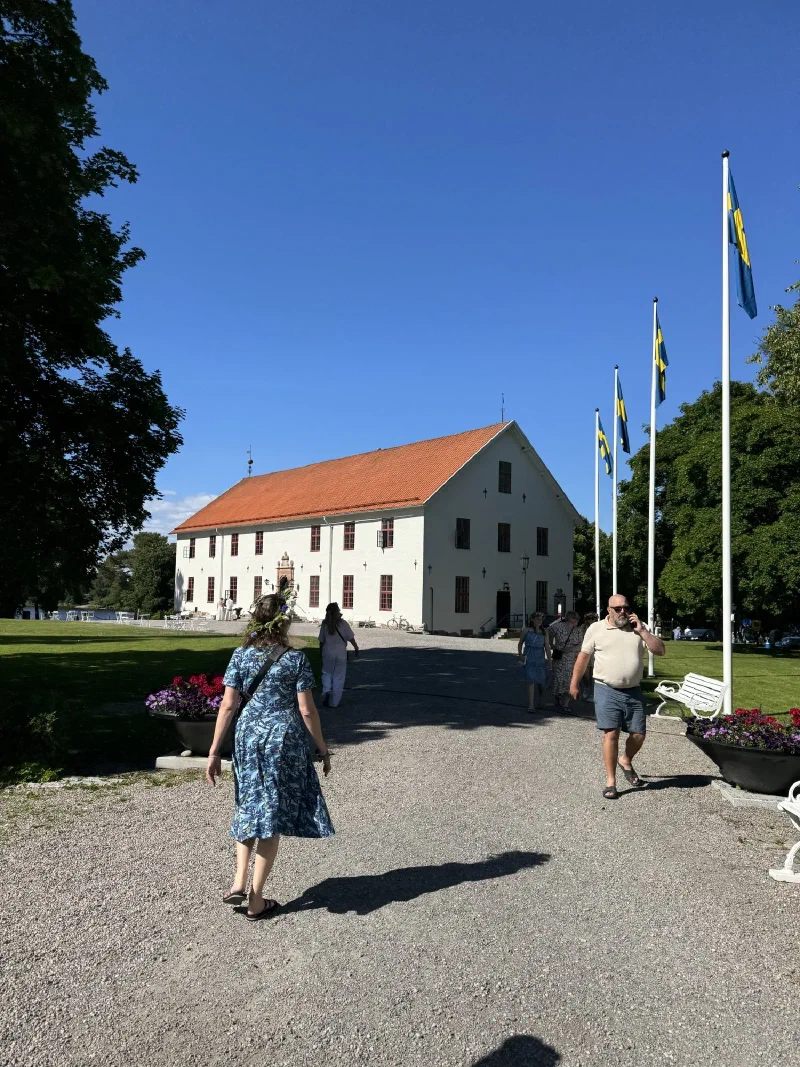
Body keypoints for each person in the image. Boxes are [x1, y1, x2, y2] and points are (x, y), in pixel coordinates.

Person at [206, 592, 333, 920]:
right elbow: (307, 710)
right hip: (281, 741)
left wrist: (214, 751)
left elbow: (228, 705)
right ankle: (256, 900)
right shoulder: (295, 659)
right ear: (283, 622)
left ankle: (238, 881)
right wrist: (322, 748)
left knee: (249, 805)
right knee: (270, 816)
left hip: (248, 737)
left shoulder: (240, 655)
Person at [569, 594, 665, 801]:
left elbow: (660, 651)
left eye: (626, 608)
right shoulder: (596, 629)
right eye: (618, 608)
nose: (623, 612)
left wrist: (643, 631)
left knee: (639, 735)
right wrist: (574, 683)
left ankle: (625, 759)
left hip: (633, 690)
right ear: (609, 611)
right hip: (606, 689)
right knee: (611, 734)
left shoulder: (639, 628)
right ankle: (610, 781)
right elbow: (583, 657)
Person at [319, 602, 359, 708]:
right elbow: (351, 638)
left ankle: (327, 690)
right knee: (339, 677)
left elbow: (321, 641)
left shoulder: (325, 624)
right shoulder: (343, 623)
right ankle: (334, 703)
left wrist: (320, 653)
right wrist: (356, 647)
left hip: (328, 652)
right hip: (341, 653)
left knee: (326, 673)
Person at [547, 611, 584, 710]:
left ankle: (565, 704)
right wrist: (551, 644)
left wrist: (571, 649)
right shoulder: (558, 627)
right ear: (568, 618)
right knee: (558, 679)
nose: (577, 620)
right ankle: (558, 698)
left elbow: (582, 644)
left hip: (572, 660)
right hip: (559, 659)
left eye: (577, 618)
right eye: (574, 617)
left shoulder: (578, 630)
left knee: (570, 680)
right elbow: (547, 632)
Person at [517, 613, 552, 712]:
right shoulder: (526, 630)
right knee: (530, 680)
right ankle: (531, 705)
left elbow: (547, 647)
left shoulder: (544, 631)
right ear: (532, 619)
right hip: (529, 657)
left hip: (540, 658)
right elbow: (520, 643)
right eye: (537, 619)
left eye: (541, 619)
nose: (539, 621)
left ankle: (541, 697)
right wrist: (520, 655)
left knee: (540, 682)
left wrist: (550, 662)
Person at [580, 612, 598, 702]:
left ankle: (593, 693)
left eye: (593, 618)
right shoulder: (582, 627)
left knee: (594, 674)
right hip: (585, 651)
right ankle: (587, 688)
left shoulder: (598, 627)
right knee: (585, 673)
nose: (591, 620)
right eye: (589, 618)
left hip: (595, 652)